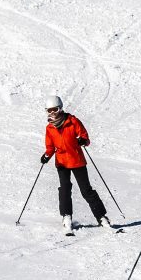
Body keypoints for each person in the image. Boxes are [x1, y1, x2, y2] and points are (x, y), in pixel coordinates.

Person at [39, 95, 113, 235]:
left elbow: (85, 137)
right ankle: (66, 217)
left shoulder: (73, 121)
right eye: (49, 111)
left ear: (60, 108)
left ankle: (101, 217)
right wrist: (47, 156)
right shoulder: (49, 128)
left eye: (54, 109)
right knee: (65, 189)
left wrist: (82, 141)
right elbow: (50, 147)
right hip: (61, 163)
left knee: (86, 190)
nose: (52, 113)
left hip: (77, 160)